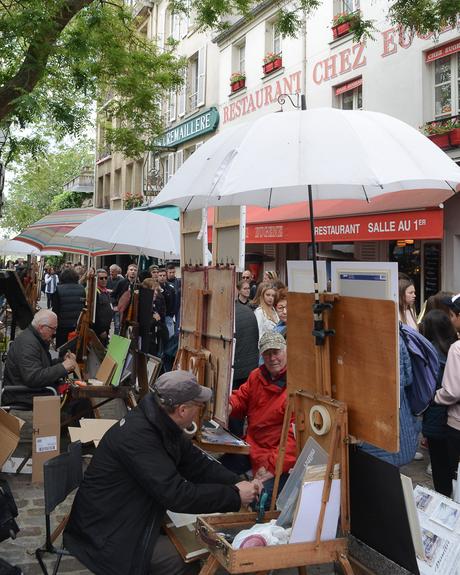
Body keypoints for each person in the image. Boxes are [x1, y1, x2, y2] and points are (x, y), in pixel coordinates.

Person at [63, 370, 262, 575]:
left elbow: (195, 462)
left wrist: (237, 482)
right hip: (107, 535)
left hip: (127, 516)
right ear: (183, 410)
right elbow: (177, 495)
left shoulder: (159, 419)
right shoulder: (140, 436)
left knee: (194, 542)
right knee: (186, 560)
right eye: (199, 406)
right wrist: (233, 497)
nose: (200, 412)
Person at [222, 331, 296, 503]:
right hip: (252, 445)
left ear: (285, 351)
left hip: (276, 454)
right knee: (219, 472)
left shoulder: (295, 385)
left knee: (261, 498)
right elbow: (241, 397)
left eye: (276, 352)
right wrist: (228, 405)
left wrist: (270, 467)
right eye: (267, 353)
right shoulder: (257, 375)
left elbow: (293, 441)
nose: (272, 358)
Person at [360, 332, 421, 466]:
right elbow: (407, 378)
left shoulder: (354, 336)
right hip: (397, 418)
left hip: (370, 422)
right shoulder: (395, 338)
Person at [1, 309, 77, 407]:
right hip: (23, 395)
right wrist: (63, 367)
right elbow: (33, 378)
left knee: (75, 397)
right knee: (77, 402)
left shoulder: (35, 338)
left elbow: (43, 365)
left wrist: (62, 361)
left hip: (30, 391)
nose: (54, 332)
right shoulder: (28, 344)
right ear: (41, 328)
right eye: (52, 329)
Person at [419, 309, 458, 496]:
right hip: (452, 419)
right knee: (452, 468)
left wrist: (432, 398)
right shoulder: (452, 347)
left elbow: (428, 388)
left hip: (436, 414)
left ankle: (443, 503)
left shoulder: (430, 353)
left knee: (440, 469)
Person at [434, 294, 460, 490]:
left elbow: (452, 392)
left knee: (456, 476)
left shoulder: (457, 349)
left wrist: (435, 396)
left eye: (452, 315)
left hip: (457, 423)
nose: (450, 320)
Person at [230, 294, 259, 436]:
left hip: (236, 369)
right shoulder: (247, 311)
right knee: (246, 406)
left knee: (235, 409)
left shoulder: (230, 313)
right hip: (250, 368)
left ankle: (236, 439)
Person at [52, 268, 86, 347]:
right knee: (75, 348)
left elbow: (55, 309)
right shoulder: (81, 289)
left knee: (62, 348)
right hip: (77, 325)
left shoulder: (58, 289)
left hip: (62, 325)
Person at [93, 268, 113, 346]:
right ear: (97, 280)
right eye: (101, 278)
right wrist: (101, 330)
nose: (104, 280)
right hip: (100, 330)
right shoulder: (96, 292)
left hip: (106, 327)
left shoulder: (105, 291)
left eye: (105, 278)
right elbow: (96, 313)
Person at [158, 266, 176, 339]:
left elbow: (174, 302)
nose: (162, 277)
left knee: (170, 336)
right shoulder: (154, 287)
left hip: (168, 316)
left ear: (166, 276)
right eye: (160, 275)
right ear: (158, 276)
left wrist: (171, 314)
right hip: (158, 317)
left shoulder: (171, 288)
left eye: (164, 275)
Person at [107, 264, 124, 335]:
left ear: (117, 272)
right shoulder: (107, 279)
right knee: (107, 324)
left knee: (117, 325)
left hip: (117, 305)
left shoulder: (121, 281)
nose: (111, 273)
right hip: (108, 305)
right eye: (110, 271)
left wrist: (111, 291)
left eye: (113, 271)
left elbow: (121, 293)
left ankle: (115, 341)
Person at [167, 263, 181, 335]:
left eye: (173, 272)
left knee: (177, 332)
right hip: (168, 311)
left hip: (177, 309)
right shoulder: (165, 283)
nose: (172, 274)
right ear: (167, 272)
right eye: (170, 272)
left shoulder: (179, 282)